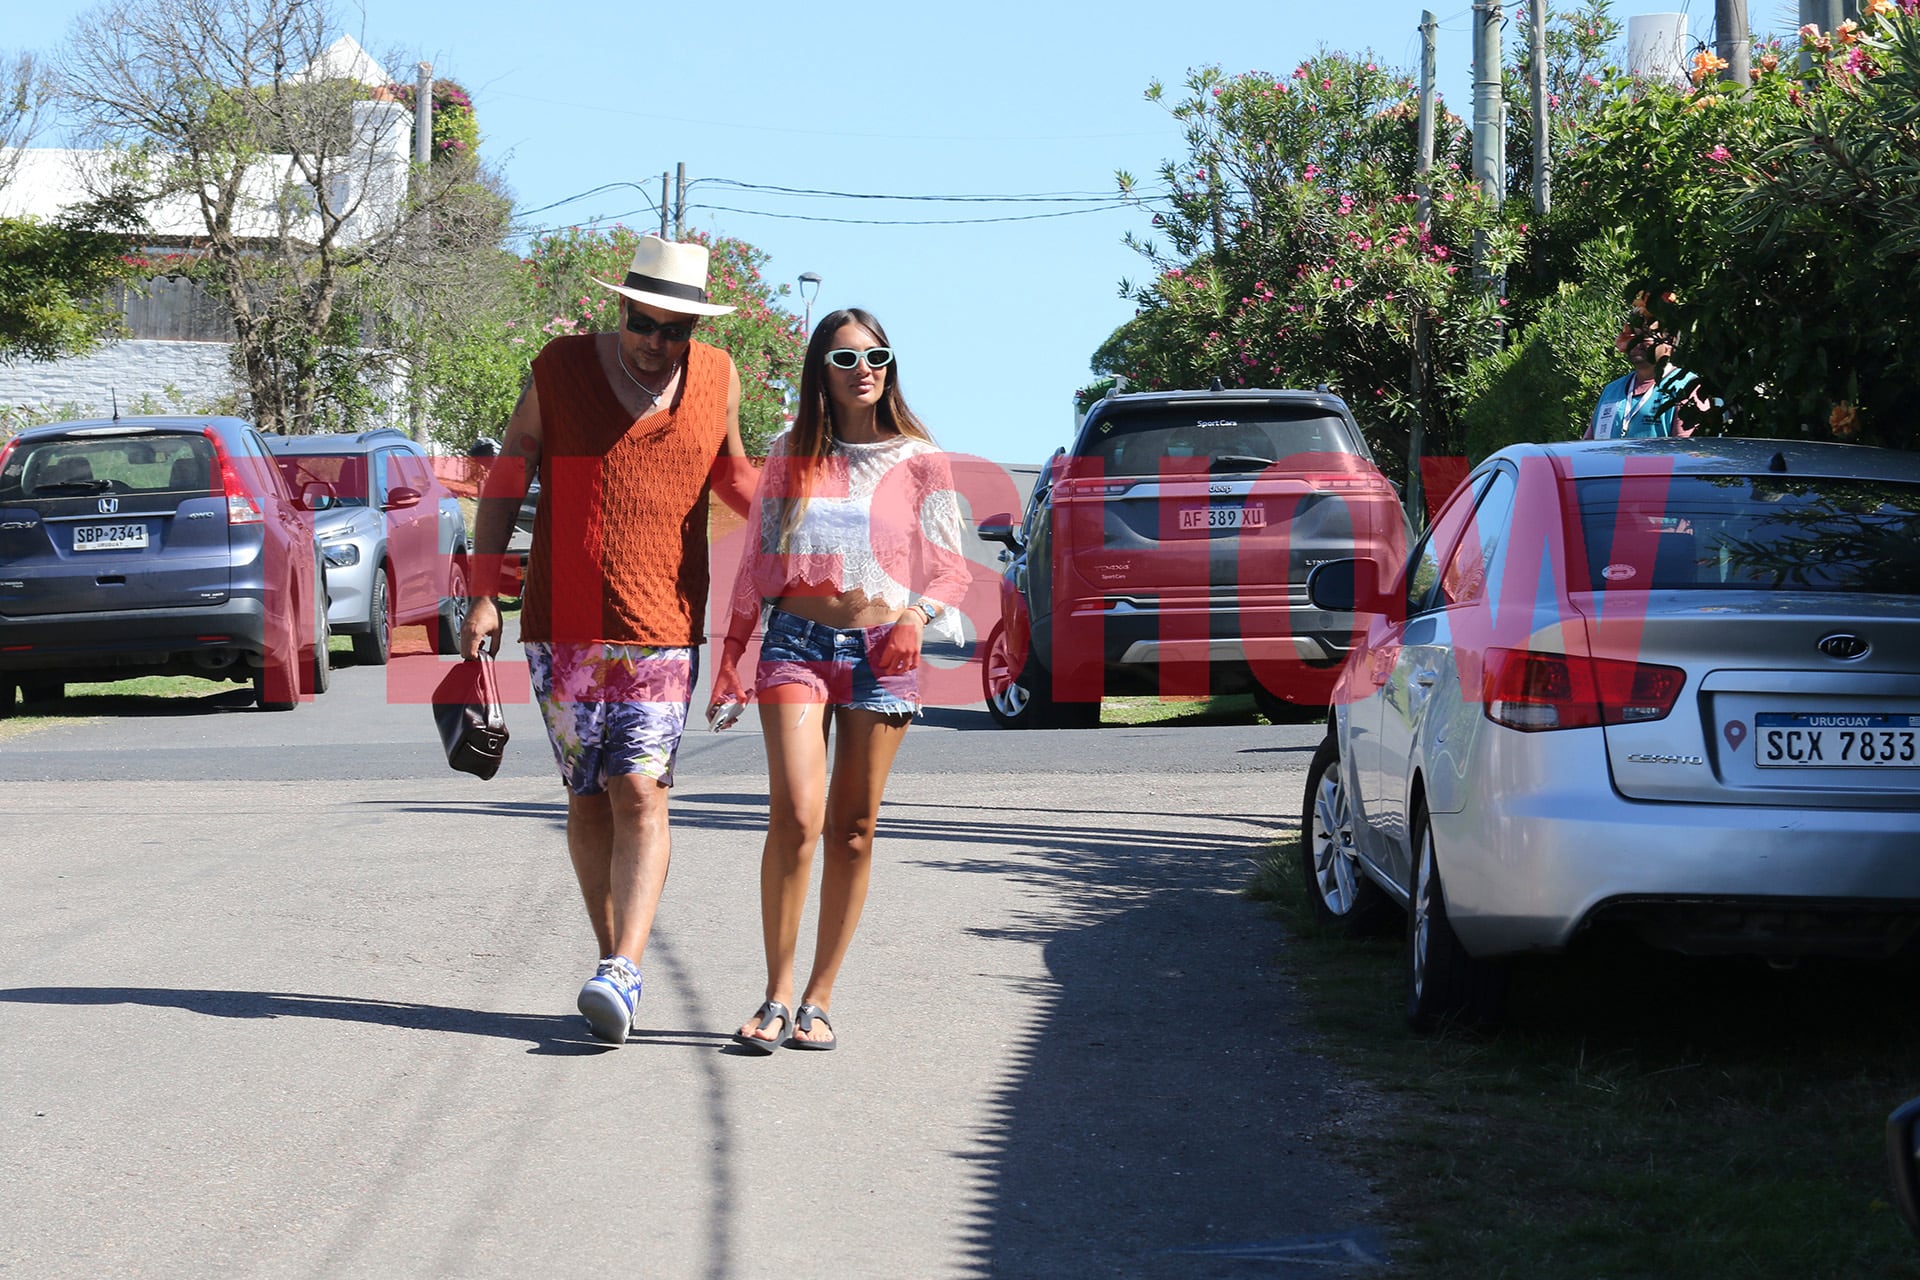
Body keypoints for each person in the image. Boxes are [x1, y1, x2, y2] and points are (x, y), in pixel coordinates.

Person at [461, 236, 756, 1045]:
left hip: (664, 623)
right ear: (619, 308)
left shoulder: (719, 379)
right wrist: (484, 592)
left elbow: (734, 482)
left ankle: (623, 966)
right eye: (643, 322)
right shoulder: (559, 368)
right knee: (587, 797)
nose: (656, 342)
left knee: (639, 789)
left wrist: (799, 516)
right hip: (562, 622)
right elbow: (509, 475)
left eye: (674, 330)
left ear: (694, 329)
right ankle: (611, 963)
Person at [709, 308, 969, 1052]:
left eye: (878, 356)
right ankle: (775, 993)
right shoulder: (788, 452)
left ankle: (819, 999)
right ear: (820, 369)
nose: (865, 370)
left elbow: (950, 563)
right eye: (848, 359)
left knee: (853, 830)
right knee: (796, 814)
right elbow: (757, 565)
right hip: (795, 644)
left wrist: (919, 614)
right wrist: (729, 659)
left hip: (885, 649)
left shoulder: (920, 459)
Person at [1585, 296, 1712, 441]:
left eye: (1645, 335)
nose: (1636, 342)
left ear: (1670, 340)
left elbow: (1690, 455)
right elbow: (1588, 448)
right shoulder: (1612, 391)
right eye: (1632, 335)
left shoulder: (1688, 387)